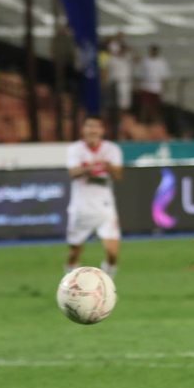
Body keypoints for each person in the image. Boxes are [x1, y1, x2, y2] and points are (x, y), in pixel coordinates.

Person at [65, 116, 123, 281]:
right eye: (89, 126)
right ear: (83, 130)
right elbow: (72, 172)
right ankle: (70, 283)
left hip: (105, 206)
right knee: (74, 252)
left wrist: (107, 166)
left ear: (102, 130)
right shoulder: (75, 149)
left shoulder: (112, 149)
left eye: (96, 126)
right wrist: (90, 168)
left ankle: (106, 283)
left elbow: (118, 175)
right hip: (81, 206)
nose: (92, 130)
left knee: (112, 252)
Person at [135, 44, 171, 125]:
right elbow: (139, 74)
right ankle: (142, 123)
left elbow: (164, 76)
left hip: (156, 88)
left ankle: (155, 124)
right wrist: (138, 86)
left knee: (155, 107)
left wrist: (164, 87)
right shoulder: (145, 61)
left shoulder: (162, 62)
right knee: (144, 106)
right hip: (146, 87)